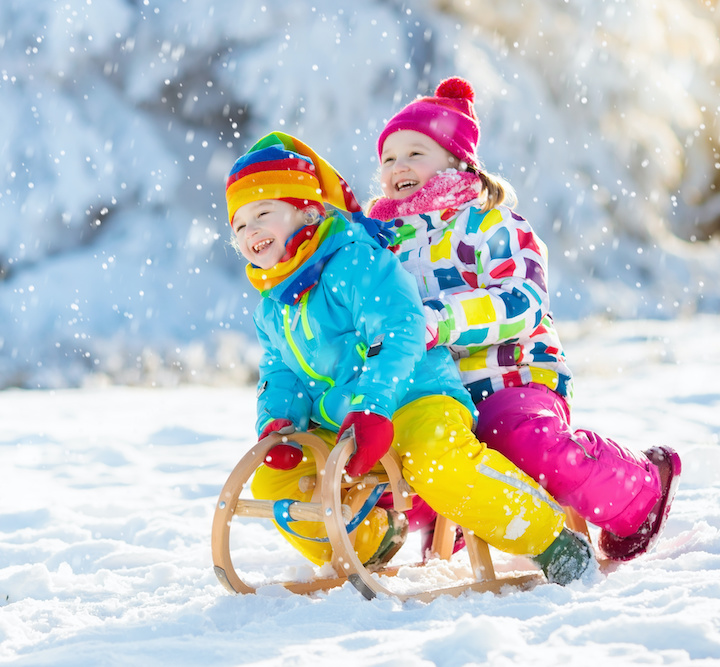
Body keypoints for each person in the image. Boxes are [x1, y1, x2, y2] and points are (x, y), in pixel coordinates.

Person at [227, 131, 592, 584]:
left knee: (437, 461)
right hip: (344, 416)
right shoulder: (272, 305)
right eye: (239, 226)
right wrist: (279, 419)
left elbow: (399, 333)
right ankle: (371, 540)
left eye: (263, 213)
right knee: (274, 481)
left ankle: (549, 539)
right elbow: (279, 371)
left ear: (308, 211)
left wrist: (374, 406)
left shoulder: (355, 261)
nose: (251, 232)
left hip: (416, 395)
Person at [367, 77, 682, 562]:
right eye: (388, 159)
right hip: (436, 396)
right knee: (398, 459)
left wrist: (442, 322)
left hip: (512, 379)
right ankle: (443, 518)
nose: (398, 167)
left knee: (517, 439)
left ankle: (638, 493)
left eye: (414, 153)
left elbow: (523, 300)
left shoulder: (489, 223)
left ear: (455, 160)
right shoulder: (385, 245)